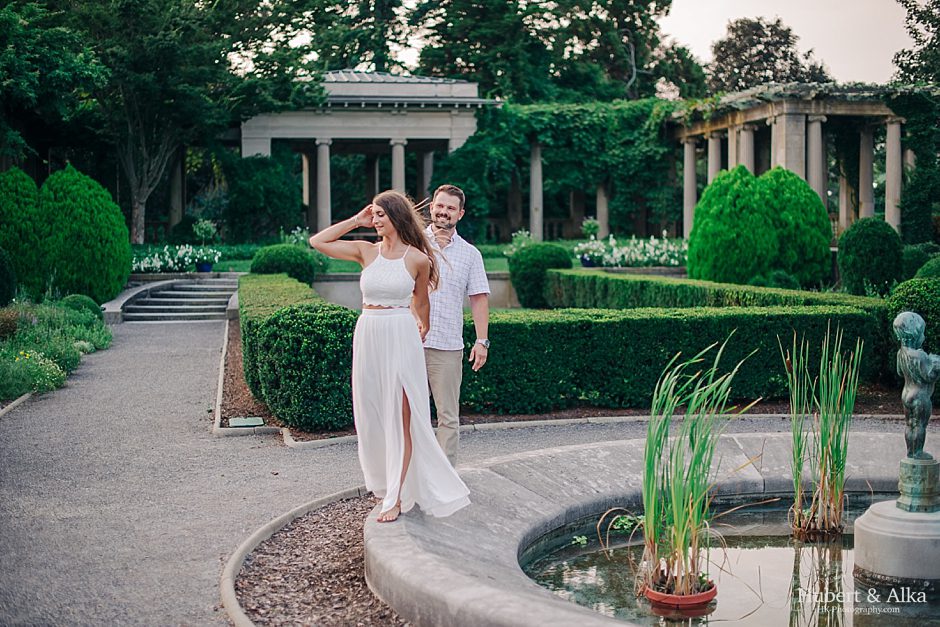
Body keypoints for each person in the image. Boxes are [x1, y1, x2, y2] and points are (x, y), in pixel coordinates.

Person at [309, 190, 470, 522]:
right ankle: (385, 486)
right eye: (374, 214)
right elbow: (318, 242)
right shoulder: (365, 251)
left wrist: (421, 326)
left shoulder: (417, 259)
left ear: (396, 217)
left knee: (402, 417)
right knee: (372, 415)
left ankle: (396, 496)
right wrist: (356, 220)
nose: (376, 219)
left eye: (381, 214)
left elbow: (421, 302)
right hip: (369, 333)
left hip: (401, 334)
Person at [422, 184, 490, 465]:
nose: (444, 212)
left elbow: (479, 298)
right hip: (409, 342)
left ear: (460, 214)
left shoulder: (470, 254)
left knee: (447, 417)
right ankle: (410, 475)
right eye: (440, 206)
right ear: (431, 208)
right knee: (406, 414)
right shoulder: (412, 244)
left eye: (451, 208)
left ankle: (444, 477)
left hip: (447, 347)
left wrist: (481, 341)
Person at [894, 311, 940, 460]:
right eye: (922, 333)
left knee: (910, 424)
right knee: (920, 425)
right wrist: (936, 363)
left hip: (906, 394)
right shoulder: (920, 356)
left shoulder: (901, 353)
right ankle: (918, 452)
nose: (924, 337)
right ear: (915, 334)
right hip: (920, 395)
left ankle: (911, 451)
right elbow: (930, 375)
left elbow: (900, 372)